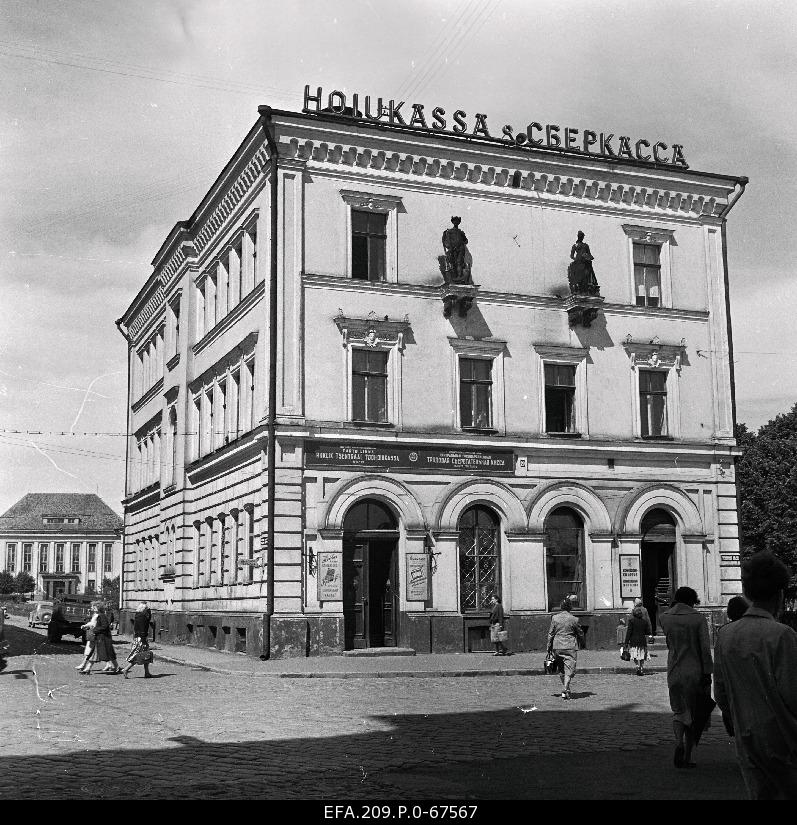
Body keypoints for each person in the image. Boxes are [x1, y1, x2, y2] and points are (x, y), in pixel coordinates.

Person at [713, 552, 797, 799]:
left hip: (747, 740)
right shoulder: (782, 635)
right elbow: (793, 694)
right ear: (780, 595)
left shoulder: (726, 636)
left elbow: (720, 693)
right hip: (786, 744)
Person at [659, 586, 713, 769]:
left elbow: (669, 643)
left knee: (679, 711)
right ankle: (688, 756)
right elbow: (705, 648)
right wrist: (708, 673)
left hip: (674, 668)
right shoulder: (698, 618)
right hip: (695, 669)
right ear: (693, 600)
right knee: (695, 713)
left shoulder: (664, 617)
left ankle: (678, 743)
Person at [547, 598, 585, 700]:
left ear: (561, 607)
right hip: (570, 646)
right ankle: (565, 688)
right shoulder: (574, 619)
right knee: (569, 668)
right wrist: (583, 642)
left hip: (557, 646)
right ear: (570, 607)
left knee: (561, 669)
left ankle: (566, 689)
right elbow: (580, 632)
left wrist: (549, 647)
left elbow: (551, 634)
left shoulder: (555, 618)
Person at [82, 604, 120, 675]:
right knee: (95, 653)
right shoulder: (98, 615)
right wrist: (89, 627)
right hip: (100, 637)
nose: (92, 608)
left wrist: (94, 630)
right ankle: (87, 668)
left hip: (104, 638)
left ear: (98, 608)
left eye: (94, 606)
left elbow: (105, 626)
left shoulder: (102, 616)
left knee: (109, 653)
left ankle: (117, 667)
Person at [122, 602, 154, 679]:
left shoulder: (139, 615)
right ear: (143, 609)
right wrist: (144, 640)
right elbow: (142, 629)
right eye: (146, 609)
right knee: (139, 656)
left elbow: (148, 619)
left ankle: (147, 673)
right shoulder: (141, 617)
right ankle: (126, 669)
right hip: (141, 639)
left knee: (146, 655)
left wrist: (149, 613)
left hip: (139, 638)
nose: (147, 610)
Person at [567, 231, 599, 295]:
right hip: (578, 260)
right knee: (573, 268)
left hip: (585, 261)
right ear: (578, 237)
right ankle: (576, 286)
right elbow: (571, 255)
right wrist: (575, 259)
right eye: (580, 236)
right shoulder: (575, 245)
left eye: (582, 236)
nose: (581, 237)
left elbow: (589, 254)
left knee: (588, 270)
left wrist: (587, 256)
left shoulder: (586, 245)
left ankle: (588, 285)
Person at [625, 604, 653, 675]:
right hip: (642, 641)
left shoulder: (631, 621)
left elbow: (629, 632)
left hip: (634, 641)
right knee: (642, 655)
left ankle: (637, 666)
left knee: (635, 656)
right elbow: (647, 632)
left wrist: (626, 642)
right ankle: (641, 668)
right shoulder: (644, 622)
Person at [75, 604, 99, 674]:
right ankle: (84, 666)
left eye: (93, 606)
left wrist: (88, 626)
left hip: (95, 635)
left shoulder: (99, 615)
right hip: (92, 634)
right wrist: (86, 625)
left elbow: (94, 624)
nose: (91, 607)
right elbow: (92, 623)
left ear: (97, 607)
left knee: (92, 652)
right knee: (89, 651)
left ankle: (85, 666)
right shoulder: (95, 614)